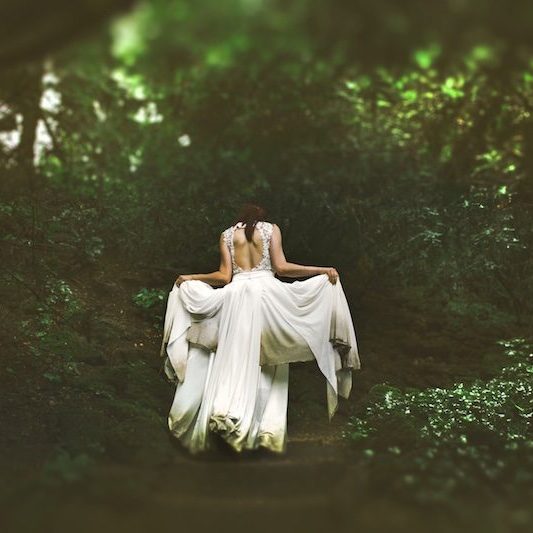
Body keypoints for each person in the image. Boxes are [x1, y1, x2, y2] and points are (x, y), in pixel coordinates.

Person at [159, 203, 361, 454]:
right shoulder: (270, 229)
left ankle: (225, 414)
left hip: (234, 297)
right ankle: (263, 431)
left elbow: (223, 277)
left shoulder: (226, 234)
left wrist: (191, 278)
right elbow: (281, 268)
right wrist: (321, 270)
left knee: (233, 357)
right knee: (271, 359)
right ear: (261, 217)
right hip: (266, 297)